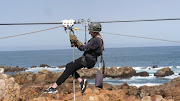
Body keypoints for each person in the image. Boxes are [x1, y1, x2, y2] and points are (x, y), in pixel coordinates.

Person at [44, 22, 104, 94]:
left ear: (95, 31)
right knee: (69, 66)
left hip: (88, 60)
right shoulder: (98, 39)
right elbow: (85, 48)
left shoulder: (96, 40)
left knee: (69, 68)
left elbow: (83, 48)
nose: (89, 33)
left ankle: (53, 88)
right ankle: (81, 82)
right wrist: (76, 43)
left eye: (90, 31)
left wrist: (76, 41)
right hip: (89, 59)